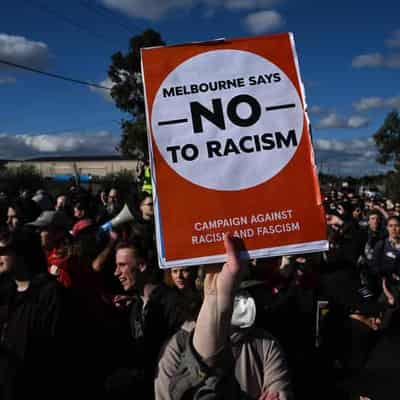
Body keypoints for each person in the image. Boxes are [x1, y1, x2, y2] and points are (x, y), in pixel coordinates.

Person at [155, 235, 293, 400]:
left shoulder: (266, 344)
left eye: (240, 292)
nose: (235, 302)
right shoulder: (177, 345)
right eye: (228, 292)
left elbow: (280, 393)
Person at [106, 239, 183, 399]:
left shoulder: (171, 302)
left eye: (122, 265)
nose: (116, 272)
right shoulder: (135, 306)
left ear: (141, 265)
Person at [0, 229, 67, 400]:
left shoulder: (50, 293)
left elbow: (54, 348)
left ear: (22, 253)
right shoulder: (6, 292)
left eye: (4, 251)